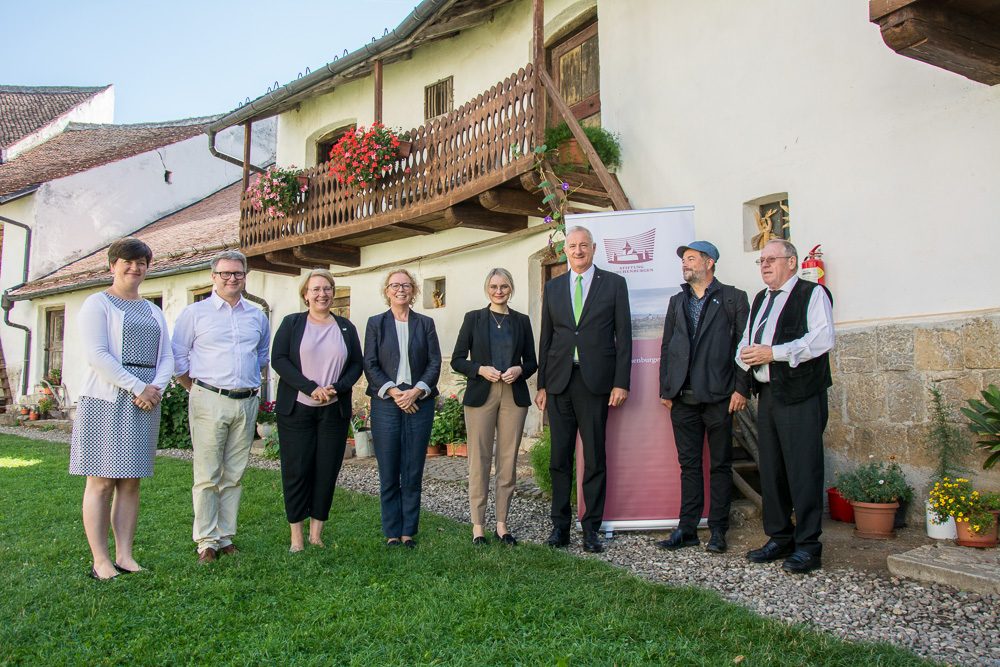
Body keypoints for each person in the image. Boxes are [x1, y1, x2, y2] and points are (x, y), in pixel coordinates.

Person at [69, 237, 173, 579]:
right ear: (113, 265)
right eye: (127, 261)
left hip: (144, 403)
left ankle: (125, 556)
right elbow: (98, 355)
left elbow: (166, 356)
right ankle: (100, 560)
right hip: (105, 401)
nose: (134, 267)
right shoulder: (97, 303)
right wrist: (137, 386)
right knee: (101, 482)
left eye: (141, 262)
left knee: (130, 482)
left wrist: (154, 389)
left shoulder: (153, 310)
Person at [738, 239, 834, 574]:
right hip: (769, 394)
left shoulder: (812, 294)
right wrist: (744, 357)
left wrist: (773, 353)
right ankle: (780, 537)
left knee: (803, 469)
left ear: (791, 262)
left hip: (801, 395)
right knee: (772, 469)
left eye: (771, 259)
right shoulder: (761, 299)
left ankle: (808, 546)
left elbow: (822, 339)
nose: (764, 265)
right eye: (761, 261)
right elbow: (748, 339)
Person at [536, 226, 632, 553]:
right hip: (559, 382)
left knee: (594, 457)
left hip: (595, 383)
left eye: (583, 245)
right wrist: (542, 384)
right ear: (565, 251)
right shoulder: (553, 287)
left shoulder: (614, 284)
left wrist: (621, 382)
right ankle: (560, 527)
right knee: (559, 458)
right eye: (572, 246)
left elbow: (624, 337)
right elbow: (546, 338)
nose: (578, 251)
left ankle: (591, 528)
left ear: (593, 248)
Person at [172, 250, 270, 564]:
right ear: (213, 277)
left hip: (246, 401)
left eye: (238, 273)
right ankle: (206, 541)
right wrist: (197, 389)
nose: (232, 278)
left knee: (234, 474)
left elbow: (262, 355)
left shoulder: (256, 315)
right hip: (208, 399)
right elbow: (178, 358)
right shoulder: (195, 314)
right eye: (225, 273)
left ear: (245, 276)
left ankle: (226, 535)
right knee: (207, 474)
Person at [657, 241, 749, 554]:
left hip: (720, 397)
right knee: (689, 465)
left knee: (721, 465)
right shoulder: (677, 301)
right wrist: (666, 388)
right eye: (684, 259)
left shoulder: (734, 298)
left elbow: (744, 346)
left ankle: (719, 530)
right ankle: (688, 528)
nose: (685, 263)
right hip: (682, 398)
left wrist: (741, 388)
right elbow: (667, 346)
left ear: (709, 263)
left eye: (691, 258)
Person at [271, 269, 363, 553]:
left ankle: (316, 534)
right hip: (297, 409)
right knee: (297, 470)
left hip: (333, 411)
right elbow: (279, 360)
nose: (322, 294)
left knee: (326, 471)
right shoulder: (292, 323)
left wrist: (338, 387)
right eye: (316, 289)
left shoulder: (345, 327)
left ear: (333, 292)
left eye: (327, 288)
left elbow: (356, 365)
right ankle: (296, 537)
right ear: (306, 294)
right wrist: (310, 388)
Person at [451, 268, 537, 546]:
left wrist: (519, 369)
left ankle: (502, 524)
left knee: (507, 460)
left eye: (504, 286)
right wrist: (479, 369)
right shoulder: (473, 318)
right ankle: (478, 526)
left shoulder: (522, 321)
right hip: (481, 394)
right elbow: (457, 359)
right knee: (479, 460)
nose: (498, 291)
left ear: (511, 289)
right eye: (493, 286)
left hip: (513, 395)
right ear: (487, 289)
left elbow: (532, 362)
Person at [363, 268, 441, 548]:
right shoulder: (376, 323)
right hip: (387, 402)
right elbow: (370, 363)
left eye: (406, 285)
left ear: (414, 291)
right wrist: (396, 393)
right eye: (395, 285)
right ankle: (392, 531)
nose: (400, 290)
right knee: (388, 467)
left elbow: (434, 362)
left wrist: (416, 391)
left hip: (419, 401)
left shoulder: (425, 323)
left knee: (412, 468)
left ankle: (408, 531)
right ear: (387, 291)